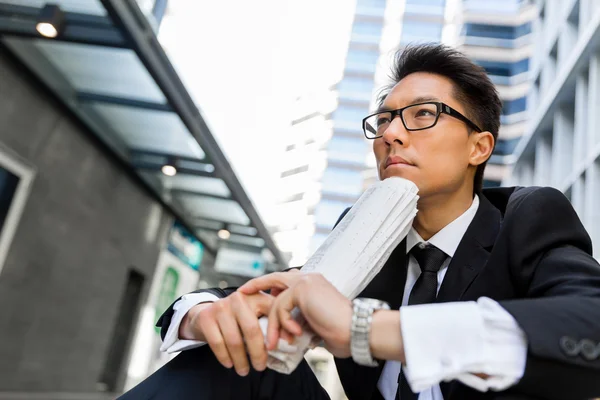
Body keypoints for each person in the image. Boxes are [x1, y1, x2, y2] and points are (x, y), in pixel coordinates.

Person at [120, 44, 600, 400]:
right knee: (238, 356)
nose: (391, 134)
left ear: (480, 147)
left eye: (422, 115)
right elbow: (277, 293)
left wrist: (365, 328)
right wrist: (207, 317)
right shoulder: (368, 228)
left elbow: (590, 327)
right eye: (385, 119)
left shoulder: (527, 217)